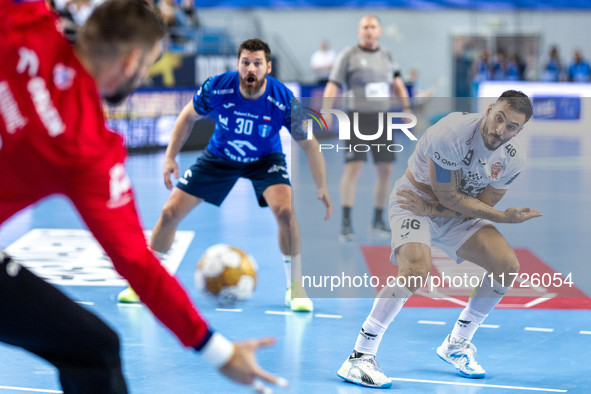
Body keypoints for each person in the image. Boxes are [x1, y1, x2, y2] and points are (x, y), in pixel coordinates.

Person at [0, 1, 286, 393]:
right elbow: (139, 265)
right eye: (149, 64)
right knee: (95, 351)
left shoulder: (25, 20)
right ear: (132, 61)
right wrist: (218, 350)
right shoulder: (84, 149)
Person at [337, 91, 542, 388]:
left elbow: (480, 204)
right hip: (414, 202)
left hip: (451, 212)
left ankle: (457, 344)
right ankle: (359, 356)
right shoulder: (452, 132)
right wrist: (502, 218)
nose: (501, 130)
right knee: (417, 268)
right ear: (489, 109)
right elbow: (451, 195)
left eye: (512, 126)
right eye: (499, 118)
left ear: (520, 130)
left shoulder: (512, 158)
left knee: (506, 266)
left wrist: (483, 212)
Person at [117, 38, 332, 312]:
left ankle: (296, 288)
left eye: (257, 63)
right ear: (238, 65)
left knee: (286, 213)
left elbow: (309, 144)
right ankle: (143, 282)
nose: (250, 69)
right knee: (170, 212)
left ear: (267, 67)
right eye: (245, 62)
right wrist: (170, 156)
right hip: (219, 157)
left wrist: (322, 185)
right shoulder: (218, 86)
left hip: (264, 159)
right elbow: (186, 117)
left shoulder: (283, 99)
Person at [322, 15, 411, 242]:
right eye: (365, 27)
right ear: (359, 31)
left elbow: (397, 83)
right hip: (357, 119)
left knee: (385, 170)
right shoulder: (349, 55)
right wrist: (325, 112)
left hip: (381, 119)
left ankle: (378, 221)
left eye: (373, 27)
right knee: (353, 169)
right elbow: (332, 85)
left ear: (379, 31)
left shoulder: (387, 56)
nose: (369, 31)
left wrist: (407, 107)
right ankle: (346, 223)